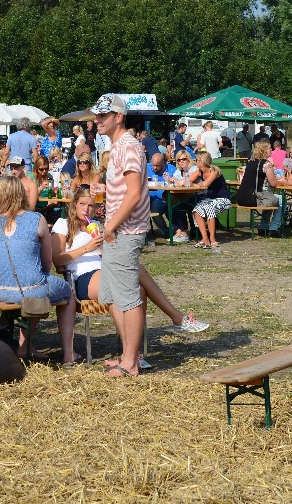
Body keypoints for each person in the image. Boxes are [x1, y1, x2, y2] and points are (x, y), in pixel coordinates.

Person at [53, 188, 208, 332]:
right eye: (82, 204)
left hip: (105, 270)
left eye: (91, 206)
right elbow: (57, 260)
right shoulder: (63, 225)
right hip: (82, 278)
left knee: (139, 290)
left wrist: (107, 244)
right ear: (74, 205)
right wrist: (87, 248)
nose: (86, 209)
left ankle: (135, 353)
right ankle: (177, 318)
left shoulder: (96, 225)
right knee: (134, 269)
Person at [90, 93, 148, 377]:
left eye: (103, 115)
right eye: (97, 115)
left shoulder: (128, 146)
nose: (97, 120)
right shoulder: (118, 147)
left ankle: (130, 362)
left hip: (126, 230)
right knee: (112, 295)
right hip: (118, 230)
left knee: (127, 297)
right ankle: (129, 355)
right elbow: (127, 189)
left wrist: (111, 225)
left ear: (118, 117)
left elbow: (135, 193)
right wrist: (105, 192)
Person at [0, 175, 75, 362]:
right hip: (30, 290)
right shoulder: (37, 219)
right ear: (21, 194)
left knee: (31, 288)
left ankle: (20, 339)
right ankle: (64, 353)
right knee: (66, 293)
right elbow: (46, 262)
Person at [234, 140, 282, 237]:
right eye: (269, 148)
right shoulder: (266, 164)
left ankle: (263, 227)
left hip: (241, 197)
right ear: (264, 150)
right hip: (252, 198)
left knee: (270, 198)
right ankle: (273, 228)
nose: (271, 150)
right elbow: (274, 183)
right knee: (279, 198)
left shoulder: (250, 162)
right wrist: (286, 181)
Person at [190, 151, 232, 249]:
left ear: (202, 161)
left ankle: (213, 239)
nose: (195, 162)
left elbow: (206, 184)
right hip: (209, 200)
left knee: (209, 208)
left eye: (197, 160)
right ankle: (205, 239)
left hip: (222, 199)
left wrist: (195, 185)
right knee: (196, 210)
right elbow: (188, 180)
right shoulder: (199, 171)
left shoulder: (214, 171)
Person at [169, 151, 198, 242]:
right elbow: (173, 181)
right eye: (179, 160)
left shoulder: (194, 169)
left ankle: (183, 232)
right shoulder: (179, 171)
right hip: (185, 196)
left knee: (176, 205)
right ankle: (181, 232)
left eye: (184, 159)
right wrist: (171, 180)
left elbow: (182, 183)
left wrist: (174, 181)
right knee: (172, 204)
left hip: (197, 196)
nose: (181, 161)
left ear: (189, 159)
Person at [145, 153, 175, 240]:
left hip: (163, 197)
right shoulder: (146, 167)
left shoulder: (171, 169)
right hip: (148, 197)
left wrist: (171, 181)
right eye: (153, 165)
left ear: (163, 163)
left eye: (157, 166)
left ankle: (167, 233)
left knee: (155, 210)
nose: (155, 168)